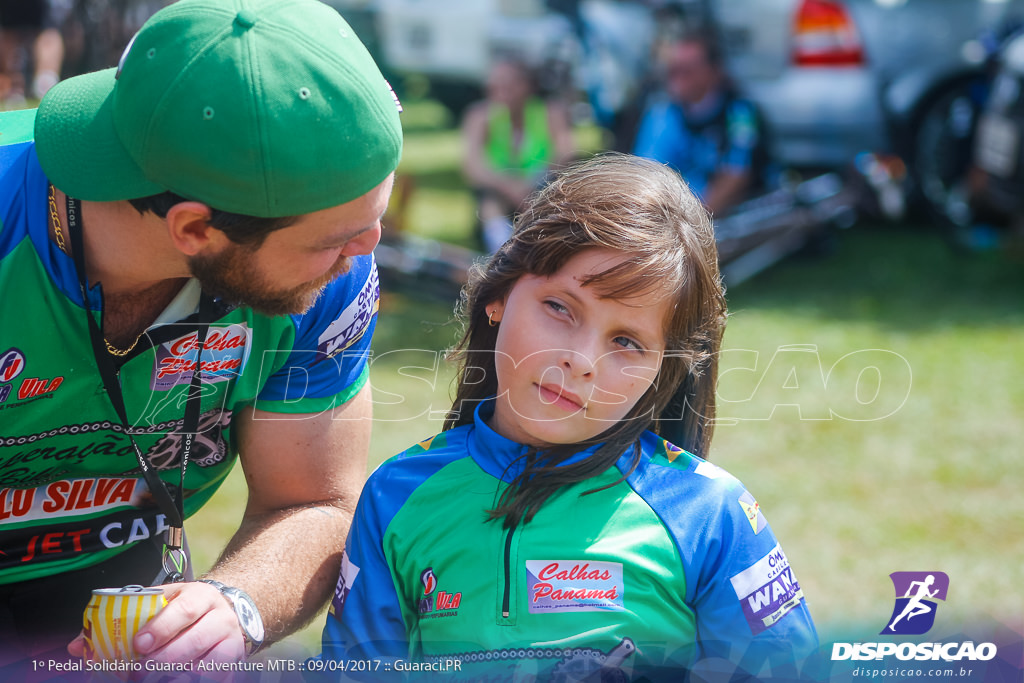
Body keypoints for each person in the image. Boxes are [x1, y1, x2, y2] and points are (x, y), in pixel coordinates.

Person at [0, 0, 401, 670]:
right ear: (192, 229)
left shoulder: (328, 280)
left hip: (100, 570)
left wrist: (231, 604)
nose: (363, 254)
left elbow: (314, 499)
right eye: (334, 238)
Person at [321, 154, 817, 680]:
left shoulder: (712, 515)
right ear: (499, 295)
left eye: (626, 341)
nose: (580, 361)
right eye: (560, 308)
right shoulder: (396, 496)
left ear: (663, 371)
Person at [632, 32, 769, 216]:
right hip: (677, 214)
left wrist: (695, 221)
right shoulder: (662, 114)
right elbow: (646, 171)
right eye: (673, 70)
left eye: (688, 70)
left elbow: (737, 175)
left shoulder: (740, 113)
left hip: (729, 215)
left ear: (714, 71)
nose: (678, 79)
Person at [462, 57, 575, 252]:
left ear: (528, 85)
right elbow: (473, 166)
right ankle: (501, 253)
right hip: (499, 189)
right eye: (495, 84)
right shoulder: (481, 115)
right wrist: (509, 187)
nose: (500, 91)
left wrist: (531, 185)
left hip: (540, 185)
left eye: (509, 84)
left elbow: (566, 154)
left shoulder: (550, 112)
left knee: (546, 198)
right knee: (491, 202)